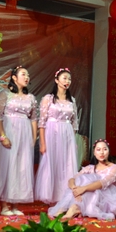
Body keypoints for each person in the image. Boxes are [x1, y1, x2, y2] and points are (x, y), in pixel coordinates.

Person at [0, 66, 38, 216]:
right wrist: (3, 136)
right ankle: (4, 206)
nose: (26, 77)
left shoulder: (30, 98)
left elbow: (33, 119)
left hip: (25, 133)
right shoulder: (5, 94)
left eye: (28, 75)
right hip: (10, 131)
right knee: (8, 166)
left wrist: (33, 138)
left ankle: (15, 204)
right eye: (23, 74)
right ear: (14, 77)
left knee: (21, 167)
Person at [35, 68, 79, 205]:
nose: (67, 81)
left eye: (69, 79)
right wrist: (42, 143)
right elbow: (41, 123)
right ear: (56, 80)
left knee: (66, 165)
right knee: (52, 164)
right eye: (64, 78)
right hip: (51, 134)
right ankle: (52, 197)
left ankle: (65, 197)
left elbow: (74, 123)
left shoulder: (72, 100)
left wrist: (72, 140)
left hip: (67, 134)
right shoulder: (48, 99)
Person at [48, 139, 116, 220]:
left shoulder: (115, 168)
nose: (101, 152)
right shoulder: (90, 168)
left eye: (105, 149)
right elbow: (72, 179)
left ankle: (74, 208)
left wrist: (83, 189)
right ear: (94, 153)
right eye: (98, 149)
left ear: (109, 151)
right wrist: (75, 189)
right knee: (81, 179)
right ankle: (69, 208)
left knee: (90, 183)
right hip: (87, 195)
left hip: (106, 198)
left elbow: (102, 183)